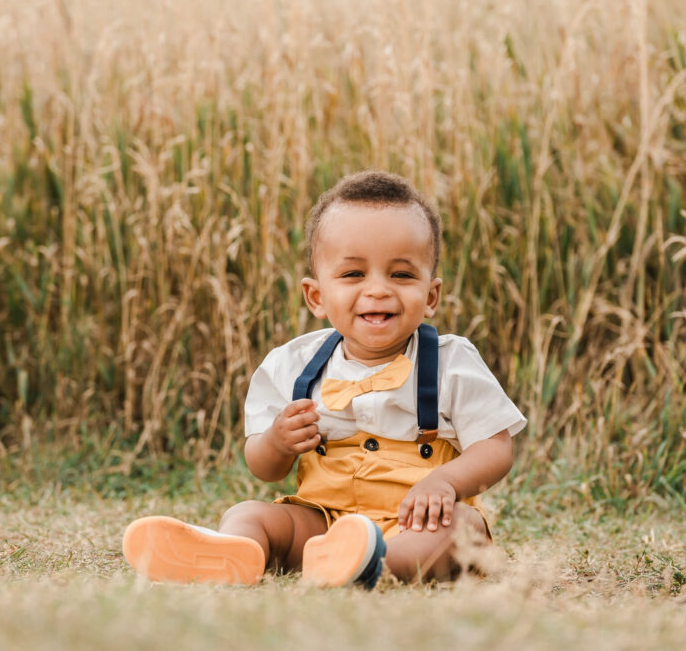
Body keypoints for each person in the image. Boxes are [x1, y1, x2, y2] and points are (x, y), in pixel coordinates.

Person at [123, 170, 526, 587]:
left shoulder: (451, 362)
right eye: (353, 274)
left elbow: (495, 447)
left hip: (416, 522)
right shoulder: (292, 364)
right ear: (316, 296)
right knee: (249, 513)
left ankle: (372, 563)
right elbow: (263, 467)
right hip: (323, 522)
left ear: (431, 296)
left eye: (402, 275)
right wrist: (277, 442)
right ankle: (235, 552)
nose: (378, 290)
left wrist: (444, 481)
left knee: (461, 528)